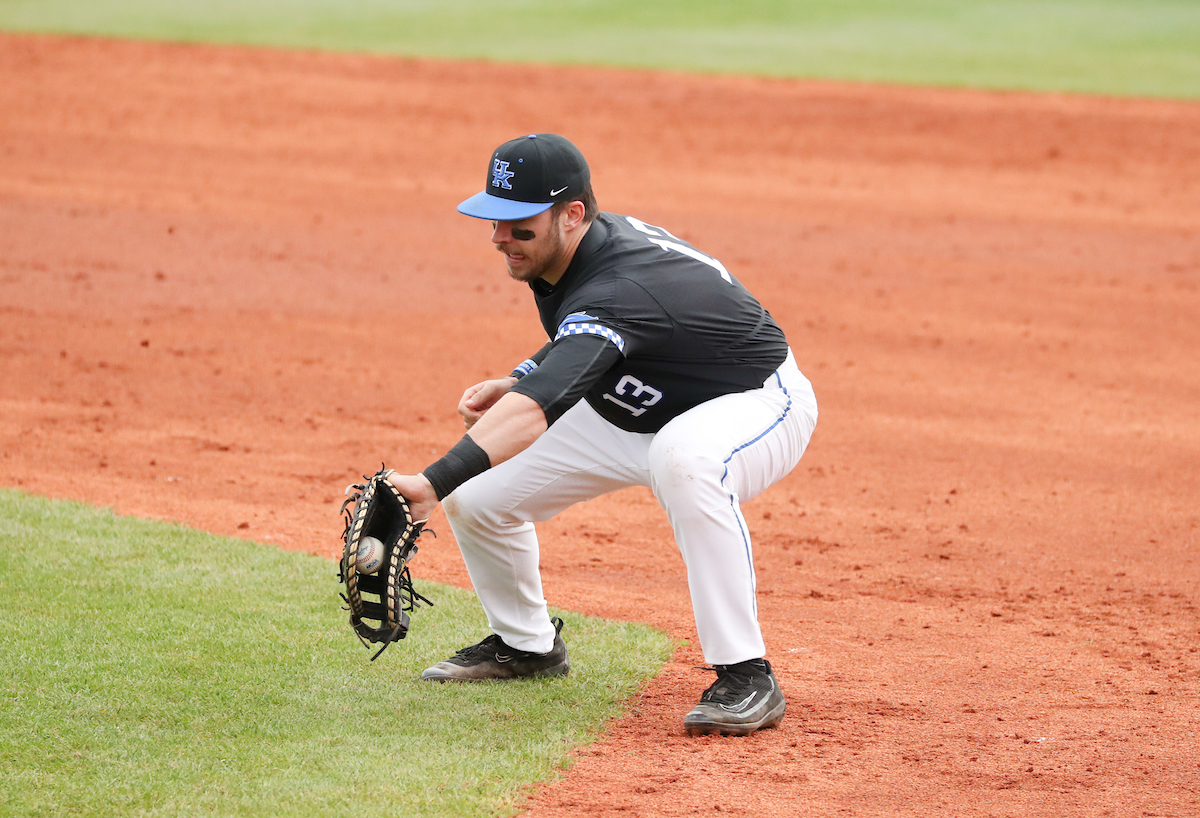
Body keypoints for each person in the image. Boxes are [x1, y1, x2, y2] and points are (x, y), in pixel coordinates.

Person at [387, 133, 818, 737]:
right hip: (634, 405)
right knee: (479, 492)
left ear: (573, 213)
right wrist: (521, 376)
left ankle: (747, 675)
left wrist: (430, 482)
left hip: (753, 405)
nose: (499, 237)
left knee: (685, 458)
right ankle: (526, 645)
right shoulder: (567, 248)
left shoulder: (625, 283)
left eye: (518, 223)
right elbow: (583, 342)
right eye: (494, 220)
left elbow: (549, 394)